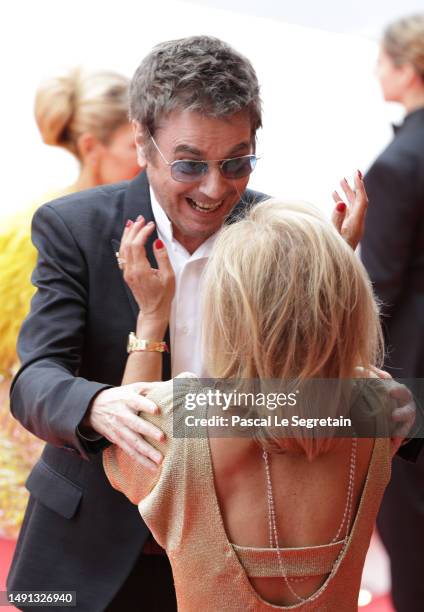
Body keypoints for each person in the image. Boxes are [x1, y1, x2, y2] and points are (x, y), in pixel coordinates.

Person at [7, 36, 408, 612]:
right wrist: (96, 406)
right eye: (190, 164)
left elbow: (333, 391)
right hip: (91, 546)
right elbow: (35, 378)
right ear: (143, 143)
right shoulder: (73, 226)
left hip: (239, 543)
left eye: (237, 162)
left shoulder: (280, 230)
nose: (215, 189)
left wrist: (334, 288)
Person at [104, 198, 403, 610]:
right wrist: (327, 277)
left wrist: (152, 317)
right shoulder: (380, 407)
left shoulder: (177, 416)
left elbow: (129, 436)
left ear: (229, 309)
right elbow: (337, 374)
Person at [0, 67, 139, 540]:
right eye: (133, 146)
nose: (147, 160)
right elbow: (27, 362)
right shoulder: (34, 231)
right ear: (90, 148)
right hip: (40, 453)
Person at [361, 14, 424, 611]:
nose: (376, 70)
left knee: (411, 539)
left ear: (406, 70)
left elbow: (377, 289)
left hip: (414, 375)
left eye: (382, 60)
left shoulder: (400, 163)